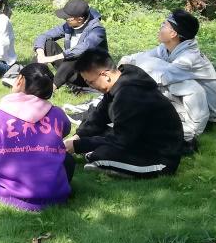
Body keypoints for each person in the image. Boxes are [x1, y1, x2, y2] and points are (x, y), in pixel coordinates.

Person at [0, 63, 74, 211]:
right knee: (67, 158)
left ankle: (5, 189)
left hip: (12, 198)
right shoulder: (57, 114)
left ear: (20, 80)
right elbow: (65, 130)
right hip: (57, 197)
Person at [65, 49, 184, 177]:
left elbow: (120, 139)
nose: (90, 86)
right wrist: (77, 137)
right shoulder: (119, 83)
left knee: (99, 157)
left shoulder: (130, 95)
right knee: (97, 139)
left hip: (159, 157)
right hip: (138, 140)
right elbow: (98, 116)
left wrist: (78, 146)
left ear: (105, 75)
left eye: (90, 82)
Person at [118, 9, 216, 144]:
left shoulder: (188, 58)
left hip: (199, 112)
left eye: (164, 25)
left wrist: (126, 77)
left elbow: (162, 77)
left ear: (173, 34)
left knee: (154, 80)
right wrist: (125, 62)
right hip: (182, 101)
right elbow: (140, 57)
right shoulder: (168, 48)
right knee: (149, 65)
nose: (160, 28)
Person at [31, 0, 107, 89]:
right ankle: (31, 80)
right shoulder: (69, 25)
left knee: (75, 55)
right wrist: (41, 55)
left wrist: (53, 58)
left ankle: (49, 90)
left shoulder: (97, 30)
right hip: (70, 71)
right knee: (48, 45)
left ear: (80, 19)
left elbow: (83, 48)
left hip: (89, 76)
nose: (65, 20)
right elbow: (44, 36)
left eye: (67, 18)